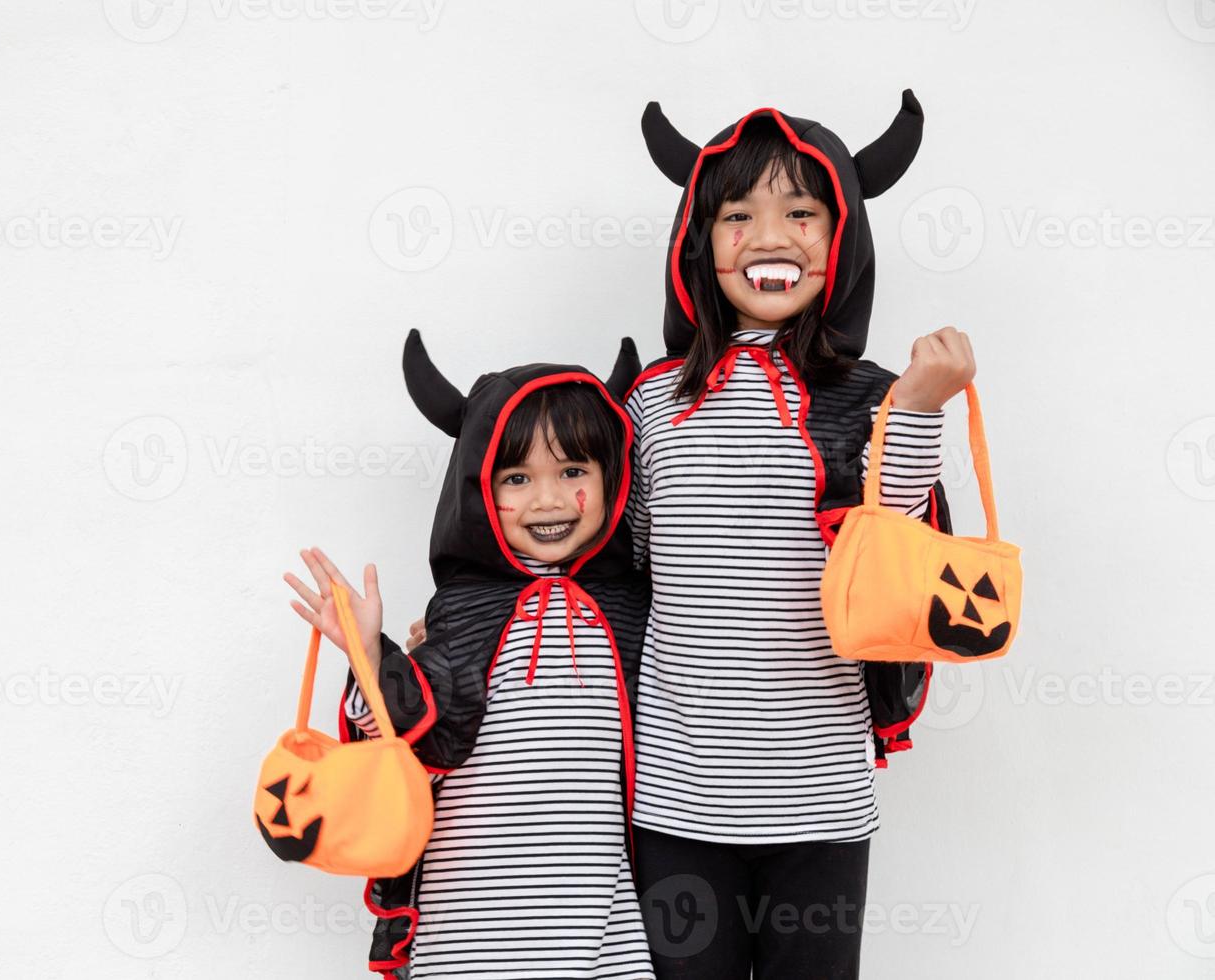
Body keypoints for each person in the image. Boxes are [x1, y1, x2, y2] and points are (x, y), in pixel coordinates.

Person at [625, 92, 976, 978]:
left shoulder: (872, 397)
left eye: (800, 212)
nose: (769, 234)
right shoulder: (654, 403)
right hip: (678, 802)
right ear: (698, 243)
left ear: (841, 236)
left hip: (821, 803)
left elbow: (892, 558)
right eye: (736, 215)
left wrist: (921, 408)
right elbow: (627, 570)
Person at [284, 330, 656, 979]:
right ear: (480, 486)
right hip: (475, 909)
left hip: (600, 908)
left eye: (572, 471)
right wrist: (370, 653)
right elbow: (420, 732)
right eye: (518, 477)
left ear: (610, 476)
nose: (546, 499)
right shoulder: (463, 610)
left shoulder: (631, 606)